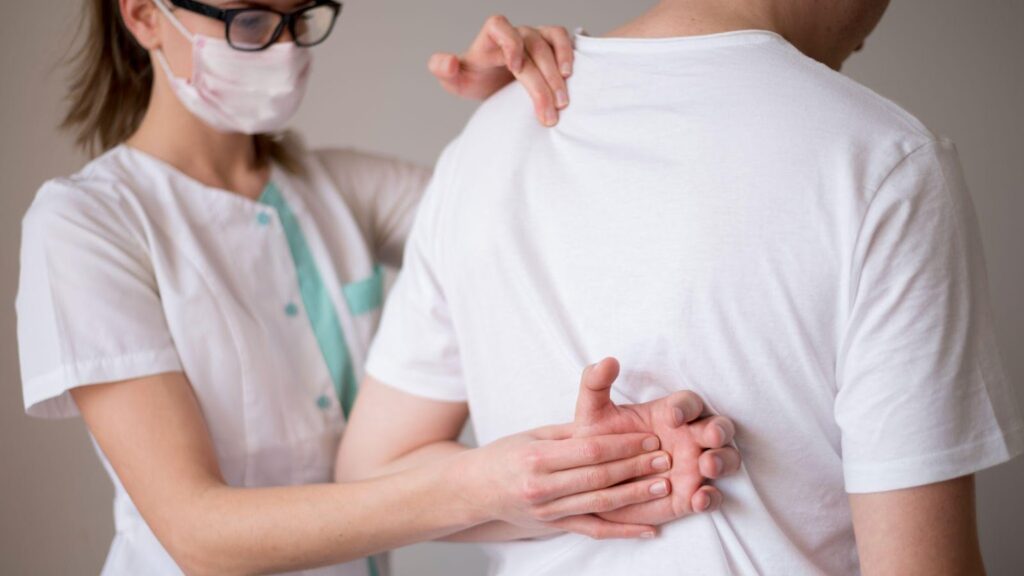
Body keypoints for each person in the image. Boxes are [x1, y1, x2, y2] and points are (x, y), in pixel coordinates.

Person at [15, 1, 745, 574]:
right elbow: (197, 535)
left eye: (300, 18)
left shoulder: (339, 191)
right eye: (250, 19)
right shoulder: (86, 223)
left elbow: (517, 234)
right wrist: (492, 483)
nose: (282, 47)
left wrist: (522, 112)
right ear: (144, 13)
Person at [337, 0, 1024, 574]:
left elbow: (372, 477)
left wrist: (573, 485)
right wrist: (581, 481)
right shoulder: (885, 162)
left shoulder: (489, 137)